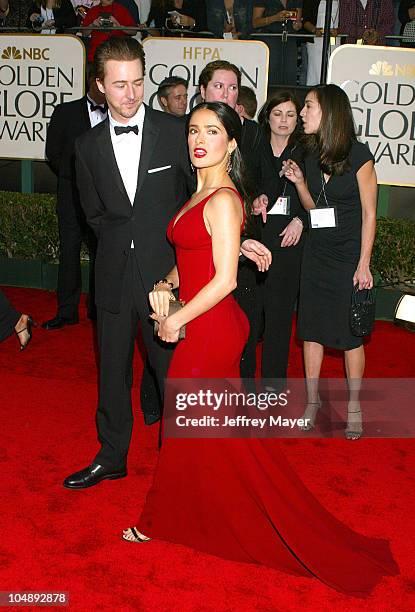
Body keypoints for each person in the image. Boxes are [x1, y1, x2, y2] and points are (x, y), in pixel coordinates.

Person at [122, 101, 398, 598]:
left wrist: (175, 319)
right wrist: (165, 284)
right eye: (192, 130)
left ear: (232, 143)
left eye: (211, 131)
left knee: (186, 423)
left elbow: (225, 281)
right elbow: (195, 258)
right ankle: (196, 509)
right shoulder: (202, 190)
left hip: (210, 328)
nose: (197, 138)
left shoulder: (223, 197)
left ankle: (161, 518)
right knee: (210, 430)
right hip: (202, 321)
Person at [62, 37, 194, 489]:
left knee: (171, 372)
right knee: (112, 372)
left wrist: (175, 269)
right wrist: (125, 247)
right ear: (100, 86)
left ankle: (181, 463)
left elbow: (191, 202)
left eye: (138, 82)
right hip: (113, 274)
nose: (131, 93)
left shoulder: (176, 132)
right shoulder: (86, 145)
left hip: (166, 278)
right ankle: (112, 454)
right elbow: (94, 216)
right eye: (120, 85)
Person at [283, 84, 377, 440]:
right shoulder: (310, 153)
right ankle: (312, 402)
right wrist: (299, 182)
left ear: (329, 112)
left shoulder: (359, 155)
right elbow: (313, 210)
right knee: (311, 330)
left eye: (308, 107)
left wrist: (363, 263)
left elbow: (370, 215)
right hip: (317, 253)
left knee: (350, 335)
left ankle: (354, 405)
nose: (302, 113)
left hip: (348, 257)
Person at [199, 60, 277, 380]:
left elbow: (268, 179)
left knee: (243, 321)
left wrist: (262, 196)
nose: (227, 93)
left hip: (245, 238)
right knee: (198, 320)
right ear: (203, 91)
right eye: (219, 86)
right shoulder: (187, 130)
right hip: (199, 240)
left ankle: (241, 393)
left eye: (232, 88)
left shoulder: (253, 132)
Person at [42, 67, 107, 330]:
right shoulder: (65, 112)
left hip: (105, 198)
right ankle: (67, 311)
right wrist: (80, 180)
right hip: (71, 196)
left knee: (102, 254)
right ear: (93, 81)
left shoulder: (118, 113)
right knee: (69, 253)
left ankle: (98, 308)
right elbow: (53, 154)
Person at [254, 91, 307, 384]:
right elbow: (244, 185)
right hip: (256, 237)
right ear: (267, 116)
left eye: (290, 114)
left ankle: (274, 382)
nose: (284, 120)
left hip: (290, 241)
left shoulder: (306, 150)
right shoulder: (255, 145)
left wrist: (302, 219)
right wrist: (254, 199)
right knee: (250, 312)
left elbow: (318, 199)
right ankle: (243, 376)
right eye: (278, 114)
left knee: (279, 315)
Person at [252, 0, 303, 86]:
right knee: (271, 73)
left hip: (289, 40)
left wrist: (297, 25)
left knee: (290, 73)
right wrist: (275, 18)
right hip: (269, 40)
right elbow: (255, 23)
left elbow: (298, 21)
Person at [302, 0, 340, 85]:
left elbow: (345, 20)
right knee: (315, 69)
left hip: (335, 39)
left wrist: (338, 30)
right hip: (316, 40)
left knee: (334, 67)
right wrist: (314, 29)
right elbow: (305, 20)